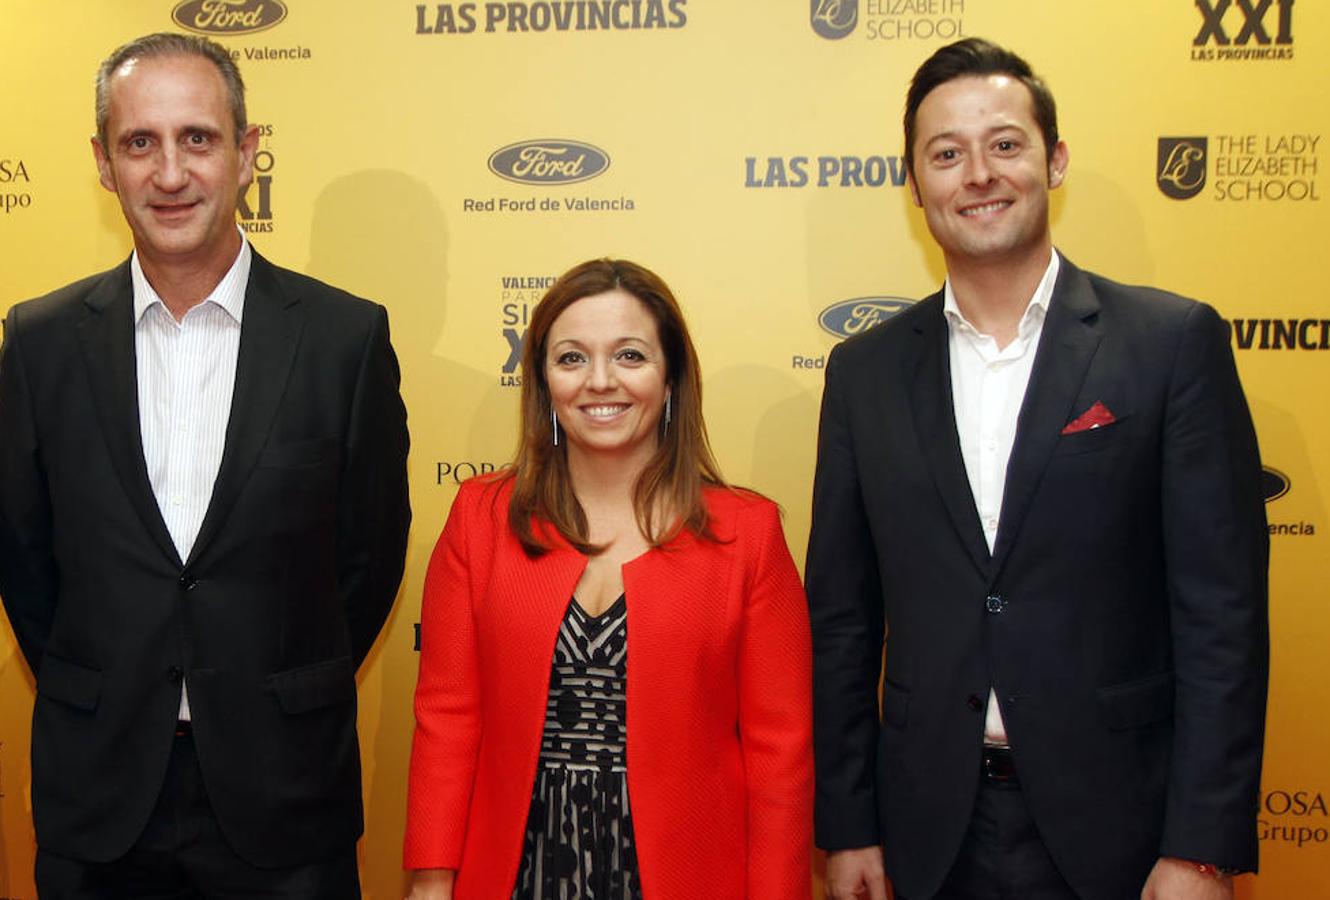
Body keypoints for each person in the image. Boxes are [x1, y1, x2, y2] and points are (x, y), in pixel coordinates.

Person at [806, 38, 1268, 900]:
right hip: (923, 830)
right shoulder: (863, 373)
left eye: (1005, 144)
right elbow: (840, 623)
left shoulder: (1169, 346)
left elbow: (1223, 618)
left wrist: (1201, 846)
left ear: (1054, 161)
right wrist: (848, 824)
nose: (977, 173)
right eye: (946, 154)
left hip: (1125, 830)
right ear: (915, 185)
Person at [0, 32, 410, 897]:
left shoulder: (344, 340)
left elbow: (367, 562)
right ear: (104, 166)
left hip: (286, 799)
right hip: (100, 800)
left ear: (248, 152)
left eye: (198, 138)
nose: (170, 173)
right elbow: (26, 563)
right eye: (139, 143)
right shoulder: (37, 344)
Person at [403, 258, 813, 899]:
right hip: (517, 870)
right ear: (542, 379)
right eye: (571, 358)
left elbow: (779, 755)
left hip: (686, 876)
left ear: (671, 375)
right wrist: (431, 878)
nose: (600, 382)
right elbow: (448, 718)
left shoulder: (748, 535)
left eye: (629, 356)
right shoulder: (480, 518)